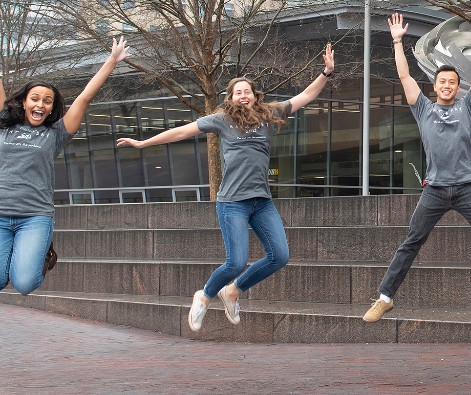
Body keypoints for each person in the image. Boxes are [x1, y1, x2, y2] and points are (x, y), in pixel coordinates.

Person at [116, 44, 336, 331]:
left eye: (247, 91)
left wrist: (326, 72)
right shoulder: (222, 120)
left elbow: (306, 96)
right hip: (232, 202)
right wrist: (144, 143)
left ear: (255, 96)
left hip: (261, 201)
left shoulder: (270, 115)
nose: (243, 95)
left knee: (279, 256)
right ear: (231, 98)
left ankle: (232, 292)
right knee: (235, 262)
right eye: (238, 92)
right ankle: (205, 296)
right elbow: (183, 131)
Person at [362, 12, 471, 325]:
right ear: (435, 86)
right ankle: (385, 298)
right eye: (442, 82)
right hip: (436, 190)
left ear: (457, 87)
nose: (447, 86)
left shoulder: (467, 107)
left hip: (467, 188)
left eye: (452, 82)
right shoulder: (423, 109)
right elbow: (404, 77)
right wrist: (398, 42)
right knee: (411, 242)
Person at [0, 8, 128, 295]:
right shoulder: (2, 125)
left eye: (47, 101)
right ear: (23, 102)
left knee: (25, 284)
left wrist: (112, 60)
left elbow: (84, 97)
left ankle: (37, 255)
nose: (40, 105)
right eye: (35, 99)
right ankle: (13, 258)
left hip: (35, 217)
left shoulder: (54, 134)